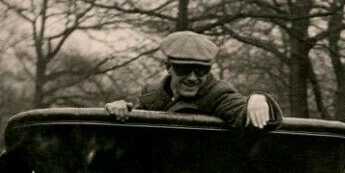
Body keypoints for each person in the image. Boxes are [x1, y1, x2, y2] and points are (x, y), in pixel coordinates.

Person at [105, 30, 282, 130]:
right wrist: (121, 110)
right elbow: (135, 136)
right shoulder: (152, 93)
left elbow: (252, 118)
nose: (192, 78)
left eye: (201, 70)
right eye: (184, 69)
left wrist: (259, 100)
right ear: (169, 67)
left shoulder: (217, 94)